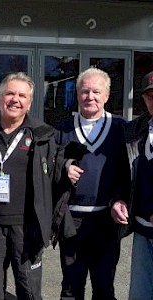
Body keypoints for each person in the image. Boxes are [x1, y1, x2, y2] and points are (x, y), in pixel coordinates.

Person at [0, 72, 65, 299]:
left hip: (27, 227)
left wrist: (69, 166)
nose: (15, 99)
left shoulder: (43, 135)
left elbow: (58, 166)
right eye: (10, 93)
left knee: (28, 291)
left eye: (22, 95)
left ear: (29, 103)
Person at [55, 67, 130, 300]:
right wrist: (65, 164)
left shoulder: (121, 128)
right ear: (77, 95)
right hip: (71, 219)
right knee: (71, 287)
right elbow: (49, 161)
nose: (90, 97)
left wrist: (120, 198)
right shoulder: (63, 127)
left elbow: (127, 172)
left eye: (96, 92)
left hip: (105, 220)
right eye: (85, 91)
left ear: (106, 96)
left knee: (104, 286)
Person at [111, 70, 153, 299]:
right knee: (140, 294)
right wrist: (118, 199)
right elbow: (123, 173)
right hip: (143, 231)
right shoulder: (134, 131)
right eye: (150, 96)